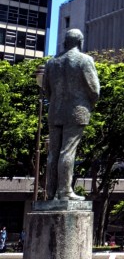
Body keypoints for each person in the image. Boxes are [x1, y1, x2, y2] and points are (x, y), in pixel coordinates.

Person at [43, 29, 100, 201]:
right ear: (80, 42)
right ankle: (65, 191)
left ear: (65, 42)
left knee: (53, 153)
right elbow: (94, 90)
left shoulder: (52, 63)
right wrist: (89, 103)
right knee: (67, 151)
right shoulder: (85, 60)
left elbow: (46, 90)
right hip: (77, 111)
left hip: (55, 111)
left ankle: (50, 192)